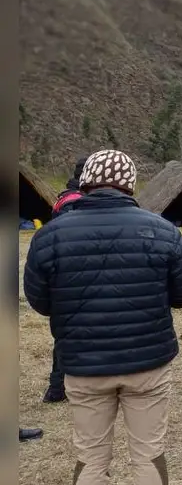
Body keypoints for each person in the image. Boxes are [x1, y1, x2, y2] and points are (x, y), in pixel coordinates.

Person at [23, 149, 182, 485]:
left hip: (83, 366)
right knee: (147, 454)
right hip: (148, 363)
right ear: (130, 183)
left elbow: (39, 301)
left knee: (91, 457)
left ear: (85, 182)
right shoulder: (161, 231)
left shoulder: (51, 235)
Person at [41, 156, 88, 404]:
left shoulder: (65, 199)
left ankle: (58, 388)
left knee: (65, 334)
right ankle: (57, 388)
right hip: (73, 277)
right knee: (69, 335)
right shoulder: (75, 203)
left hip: (65, 276)